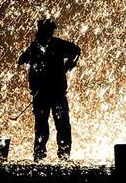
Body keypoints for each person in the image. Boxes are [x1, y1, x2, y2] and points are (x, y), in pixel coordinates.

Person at [18, 18, 81, 161]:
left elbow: (21, 60)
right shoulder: (46, 46)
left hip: (46, 94)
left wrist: (68, 64)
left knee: (46, 125)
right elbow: (76, 50)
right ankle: (60, 154)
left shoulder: (40, 46)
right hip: (48, 94)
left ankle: (42, 154)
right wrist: (69, 65)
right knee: (57, 125)